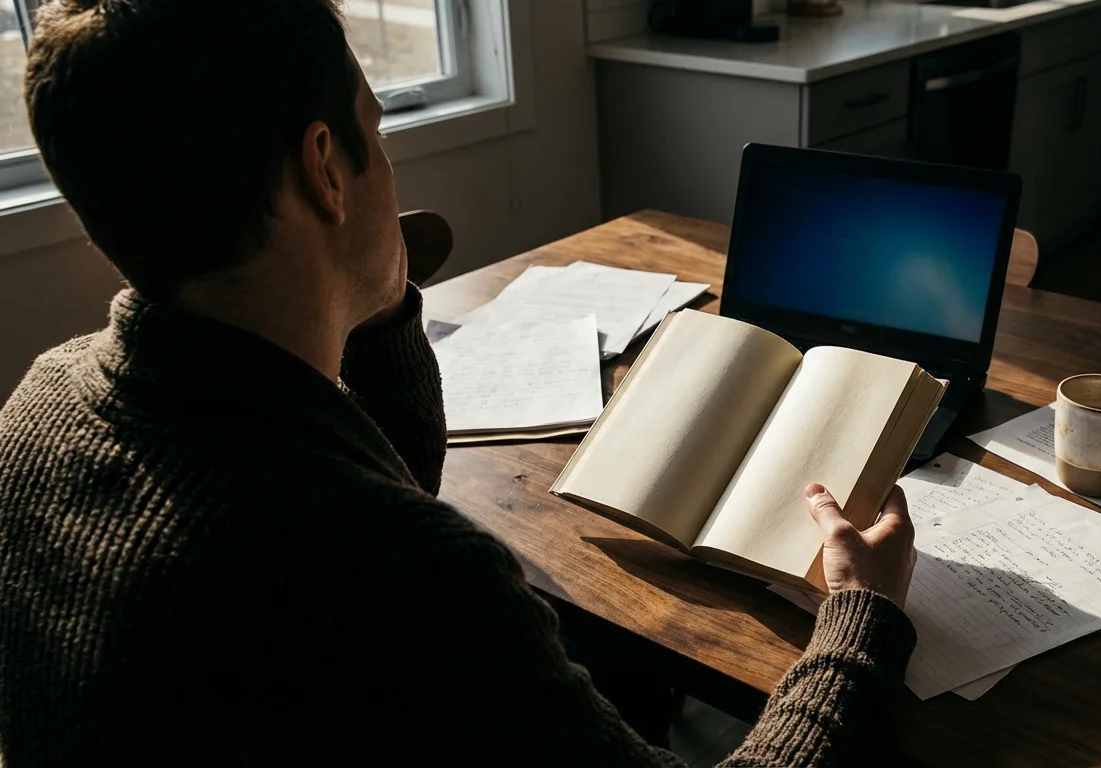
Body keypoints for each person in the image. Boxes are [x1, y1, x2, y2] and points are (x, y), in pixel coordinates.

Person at [0, 0, 919, 764]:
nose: (386, 159)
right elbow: (366, 536)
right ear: (326, 169)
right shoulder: (398, 572)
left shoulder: (34, 412)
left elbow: (369, 473)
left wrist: (373, 300)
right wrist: (858, 618)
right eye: (378, 131)